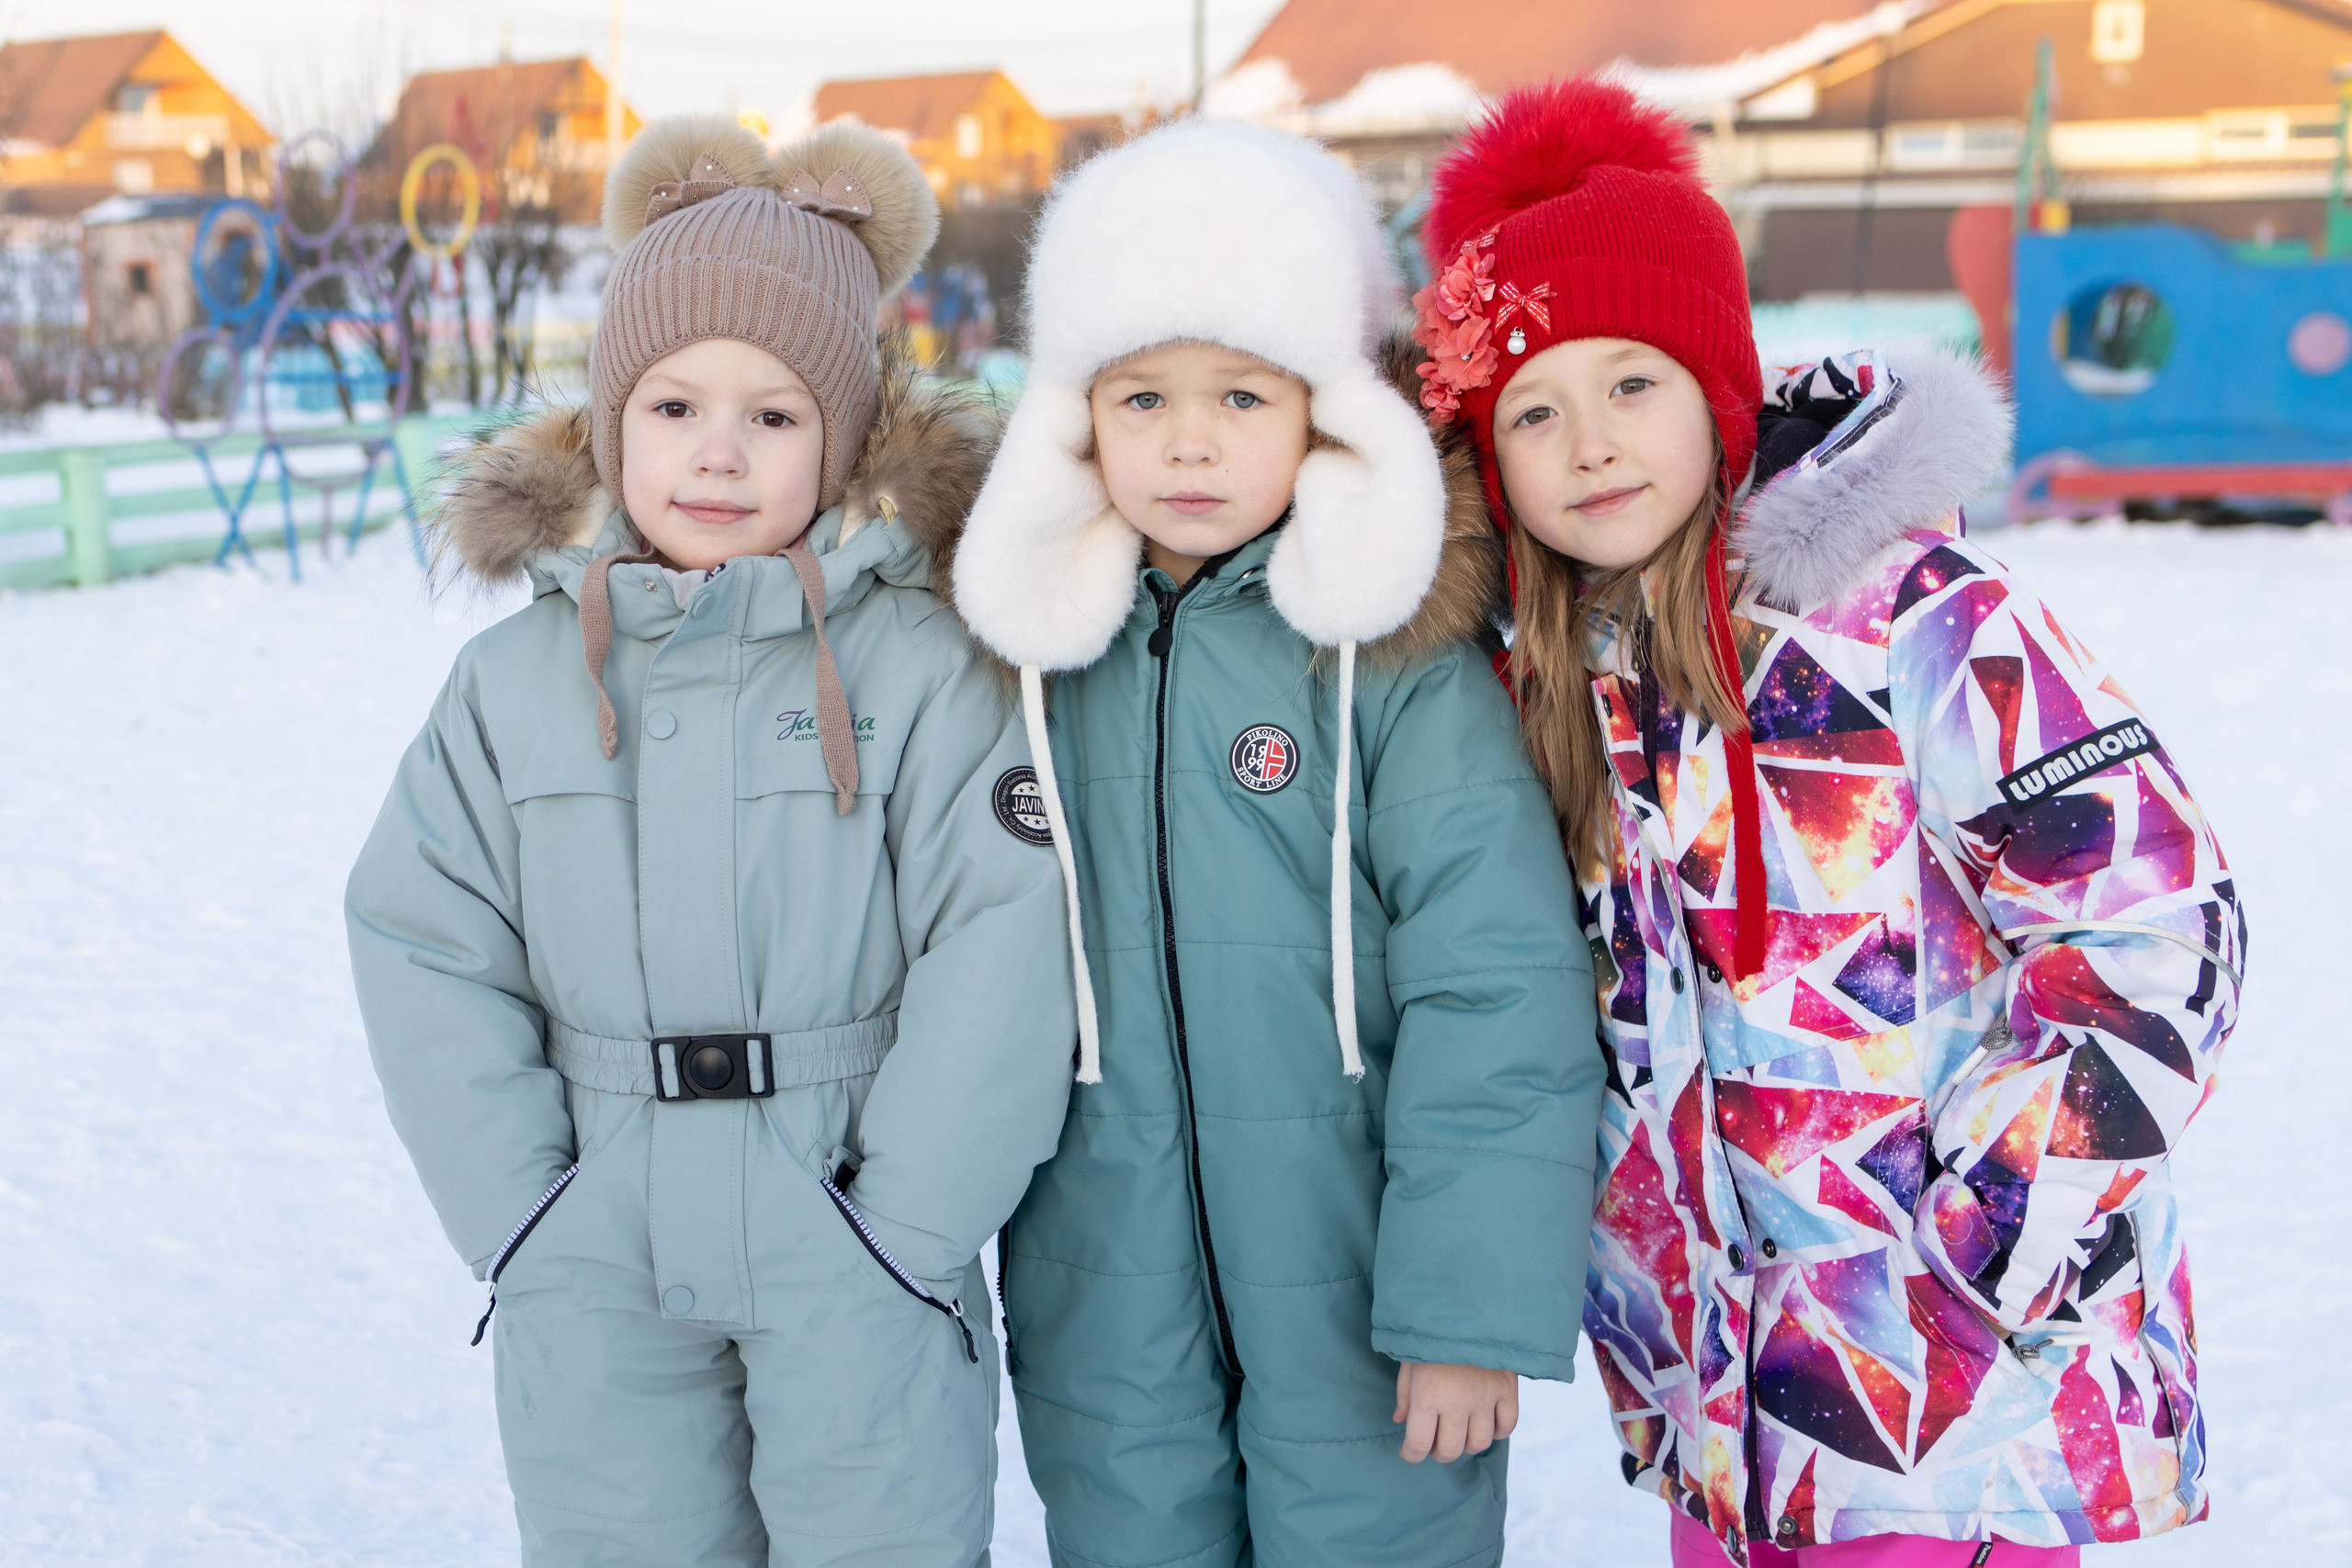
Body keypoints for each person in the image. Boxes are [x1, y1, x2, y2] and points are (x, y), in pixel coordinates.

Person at [1414, 77, 2246, 1565]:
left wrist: (1976, 1234)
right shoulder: (1555, 691)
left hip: (1955, 1405)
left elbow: (2156, 930)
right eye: (1533, 409)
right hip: (1728, 1414)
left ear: (1719, 389)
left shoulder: (1912, 623)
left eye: (1632, 383)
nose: (1590, 441)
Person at [344, 113, 1075, 1568]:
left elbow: (1007, 935)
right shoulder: (515, 686)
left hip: (854, 1229)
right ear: (613, 424)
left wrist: (907, 1227)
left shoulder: (927, 672)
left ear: (848, 434)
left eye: (776, 414)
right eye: (674, 408)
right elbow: (422, 936)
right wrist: (524, 1213)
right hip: (596, 1233)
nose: (720, 453)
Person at [948, 119, 1607, 1568]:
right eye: (1143, 397)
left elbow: (1495, 989)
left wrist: (1465, 1310)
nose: (1189, 440)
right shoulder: (1024, 662)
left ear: (1322, 412)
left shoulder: (1397, 664)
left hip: (1366, 1291)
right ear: (1078, 417)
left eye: (1242, 394)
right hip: (1104, 1292)